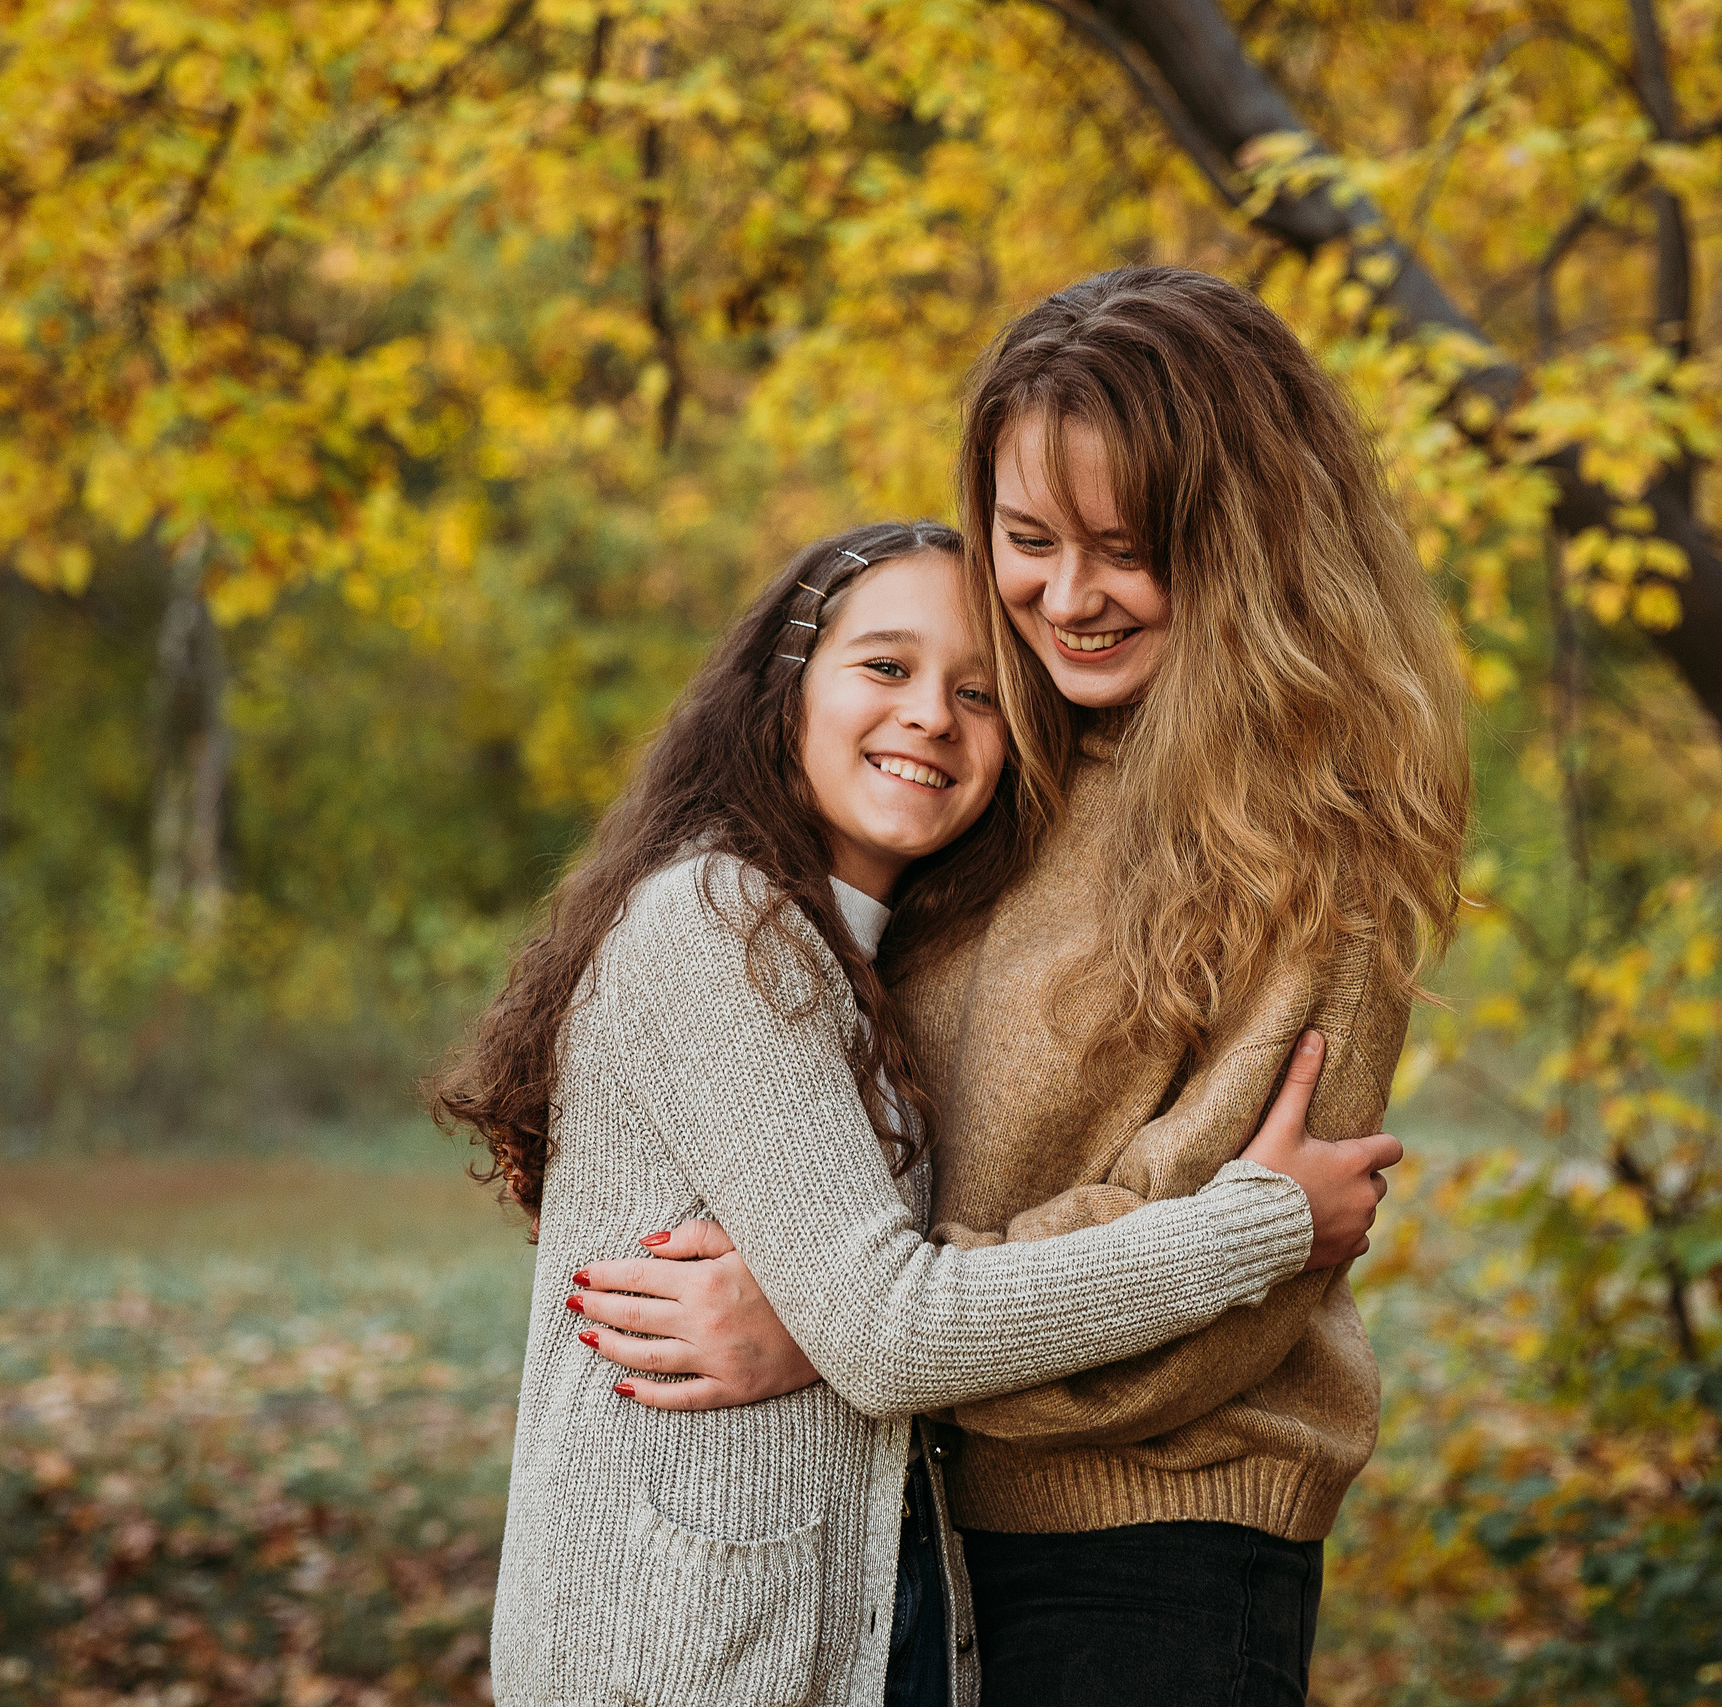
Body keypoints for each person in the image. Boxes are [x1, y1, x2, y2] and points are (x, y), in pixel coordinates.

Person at [576, 269, 1472, 1705]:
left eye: (1126, 548)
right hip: (916, 1534)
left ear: (1245, 541)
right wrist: (860, 1317)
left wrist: (840, 1330)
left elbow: (1223, 1272)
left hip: (1156, 1549)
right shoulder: (991, 777)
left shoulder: (1308, 844)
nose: (1066, 595)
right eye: (1028, 538)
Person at [433, 517, 1407, 1707]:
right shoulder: (719, 924)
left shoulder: (856, 967)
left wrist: (814, 1321)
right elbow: (885, 1331)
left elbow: (853, 1326)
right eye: (885, 667)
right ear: (783, 689)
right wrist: (1259, 1224)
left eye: (982, 694)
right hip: (676, 1661)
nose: (932, 717)